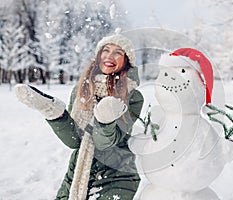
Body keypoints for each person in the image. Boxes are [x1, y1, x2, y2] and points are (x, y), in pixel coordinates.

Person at [15, 34, 144, 200]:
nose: (110, 56)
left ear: (127, 61)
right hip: (78, 171)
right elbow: (74, 140)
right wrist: (54, 114)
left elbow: (104, 143)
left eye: (118, 52)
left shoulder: (133, 96)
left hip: (117, 176)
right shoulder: (81, 89)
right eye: (106, 50)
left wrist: (105, 121)